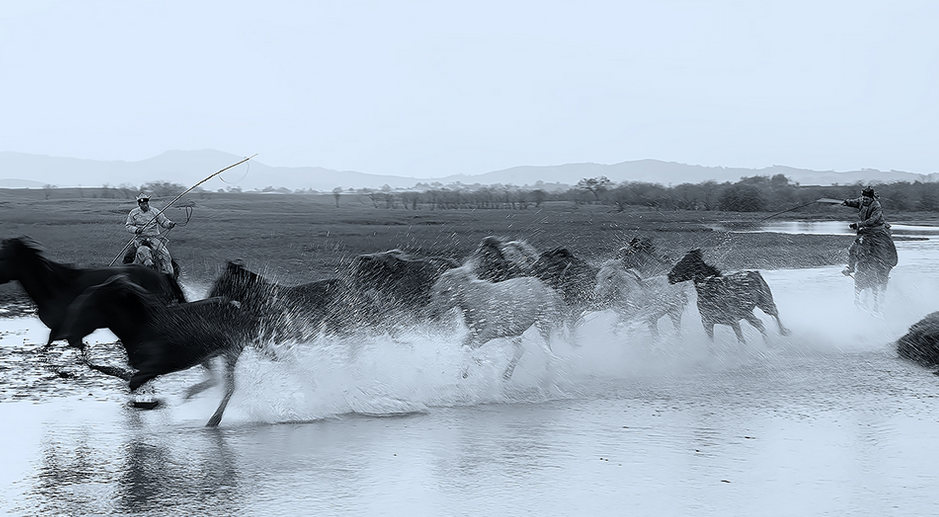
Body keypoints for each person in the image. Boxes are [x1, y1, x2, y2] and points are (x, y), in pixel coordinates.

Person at [841, 186, 888, 275]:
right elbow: (855, 202)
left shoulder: (876, 206)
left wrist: (858, 224)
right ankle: (851, 267)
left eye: (867, 199)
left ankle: (882, 269)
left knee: (878, 252)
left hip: (877, 231)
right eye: (863, 198)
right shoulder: (861, 200)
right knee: (852, 250)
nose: (864, 201)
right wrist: (847, 202)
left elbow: (872, 220)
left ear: (871, 198)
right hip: (865, 231)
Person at [125, 193, 176, 275]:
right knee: (128, 255)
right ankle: (126, 273)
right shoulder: (133, 213)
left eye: (146, 203)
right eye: (142, 204)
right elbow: (128, 226)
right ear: (139, 204)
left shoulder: (155, 212)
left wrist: (169, 224)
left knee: (165, 255)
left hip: (154, 238)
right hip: (140, 239)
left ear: (148, 202)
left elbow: (163, 221)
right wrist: (136, 230)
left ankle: (168, 273)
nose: (145, 205)